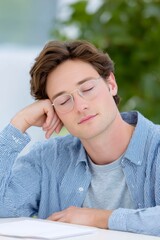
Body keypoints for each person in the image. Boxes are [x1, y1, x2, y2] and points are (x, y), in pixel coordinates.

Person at [0, 40, 160, 237]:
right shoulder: (48, 159)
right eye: (64, 100)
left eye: (88, 89)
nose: (80, 106)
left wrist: (98, 218)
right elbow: (4, 209)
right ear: (54, 112)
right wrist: (18, 125)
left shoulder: (157, 147)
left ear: (111, 84)